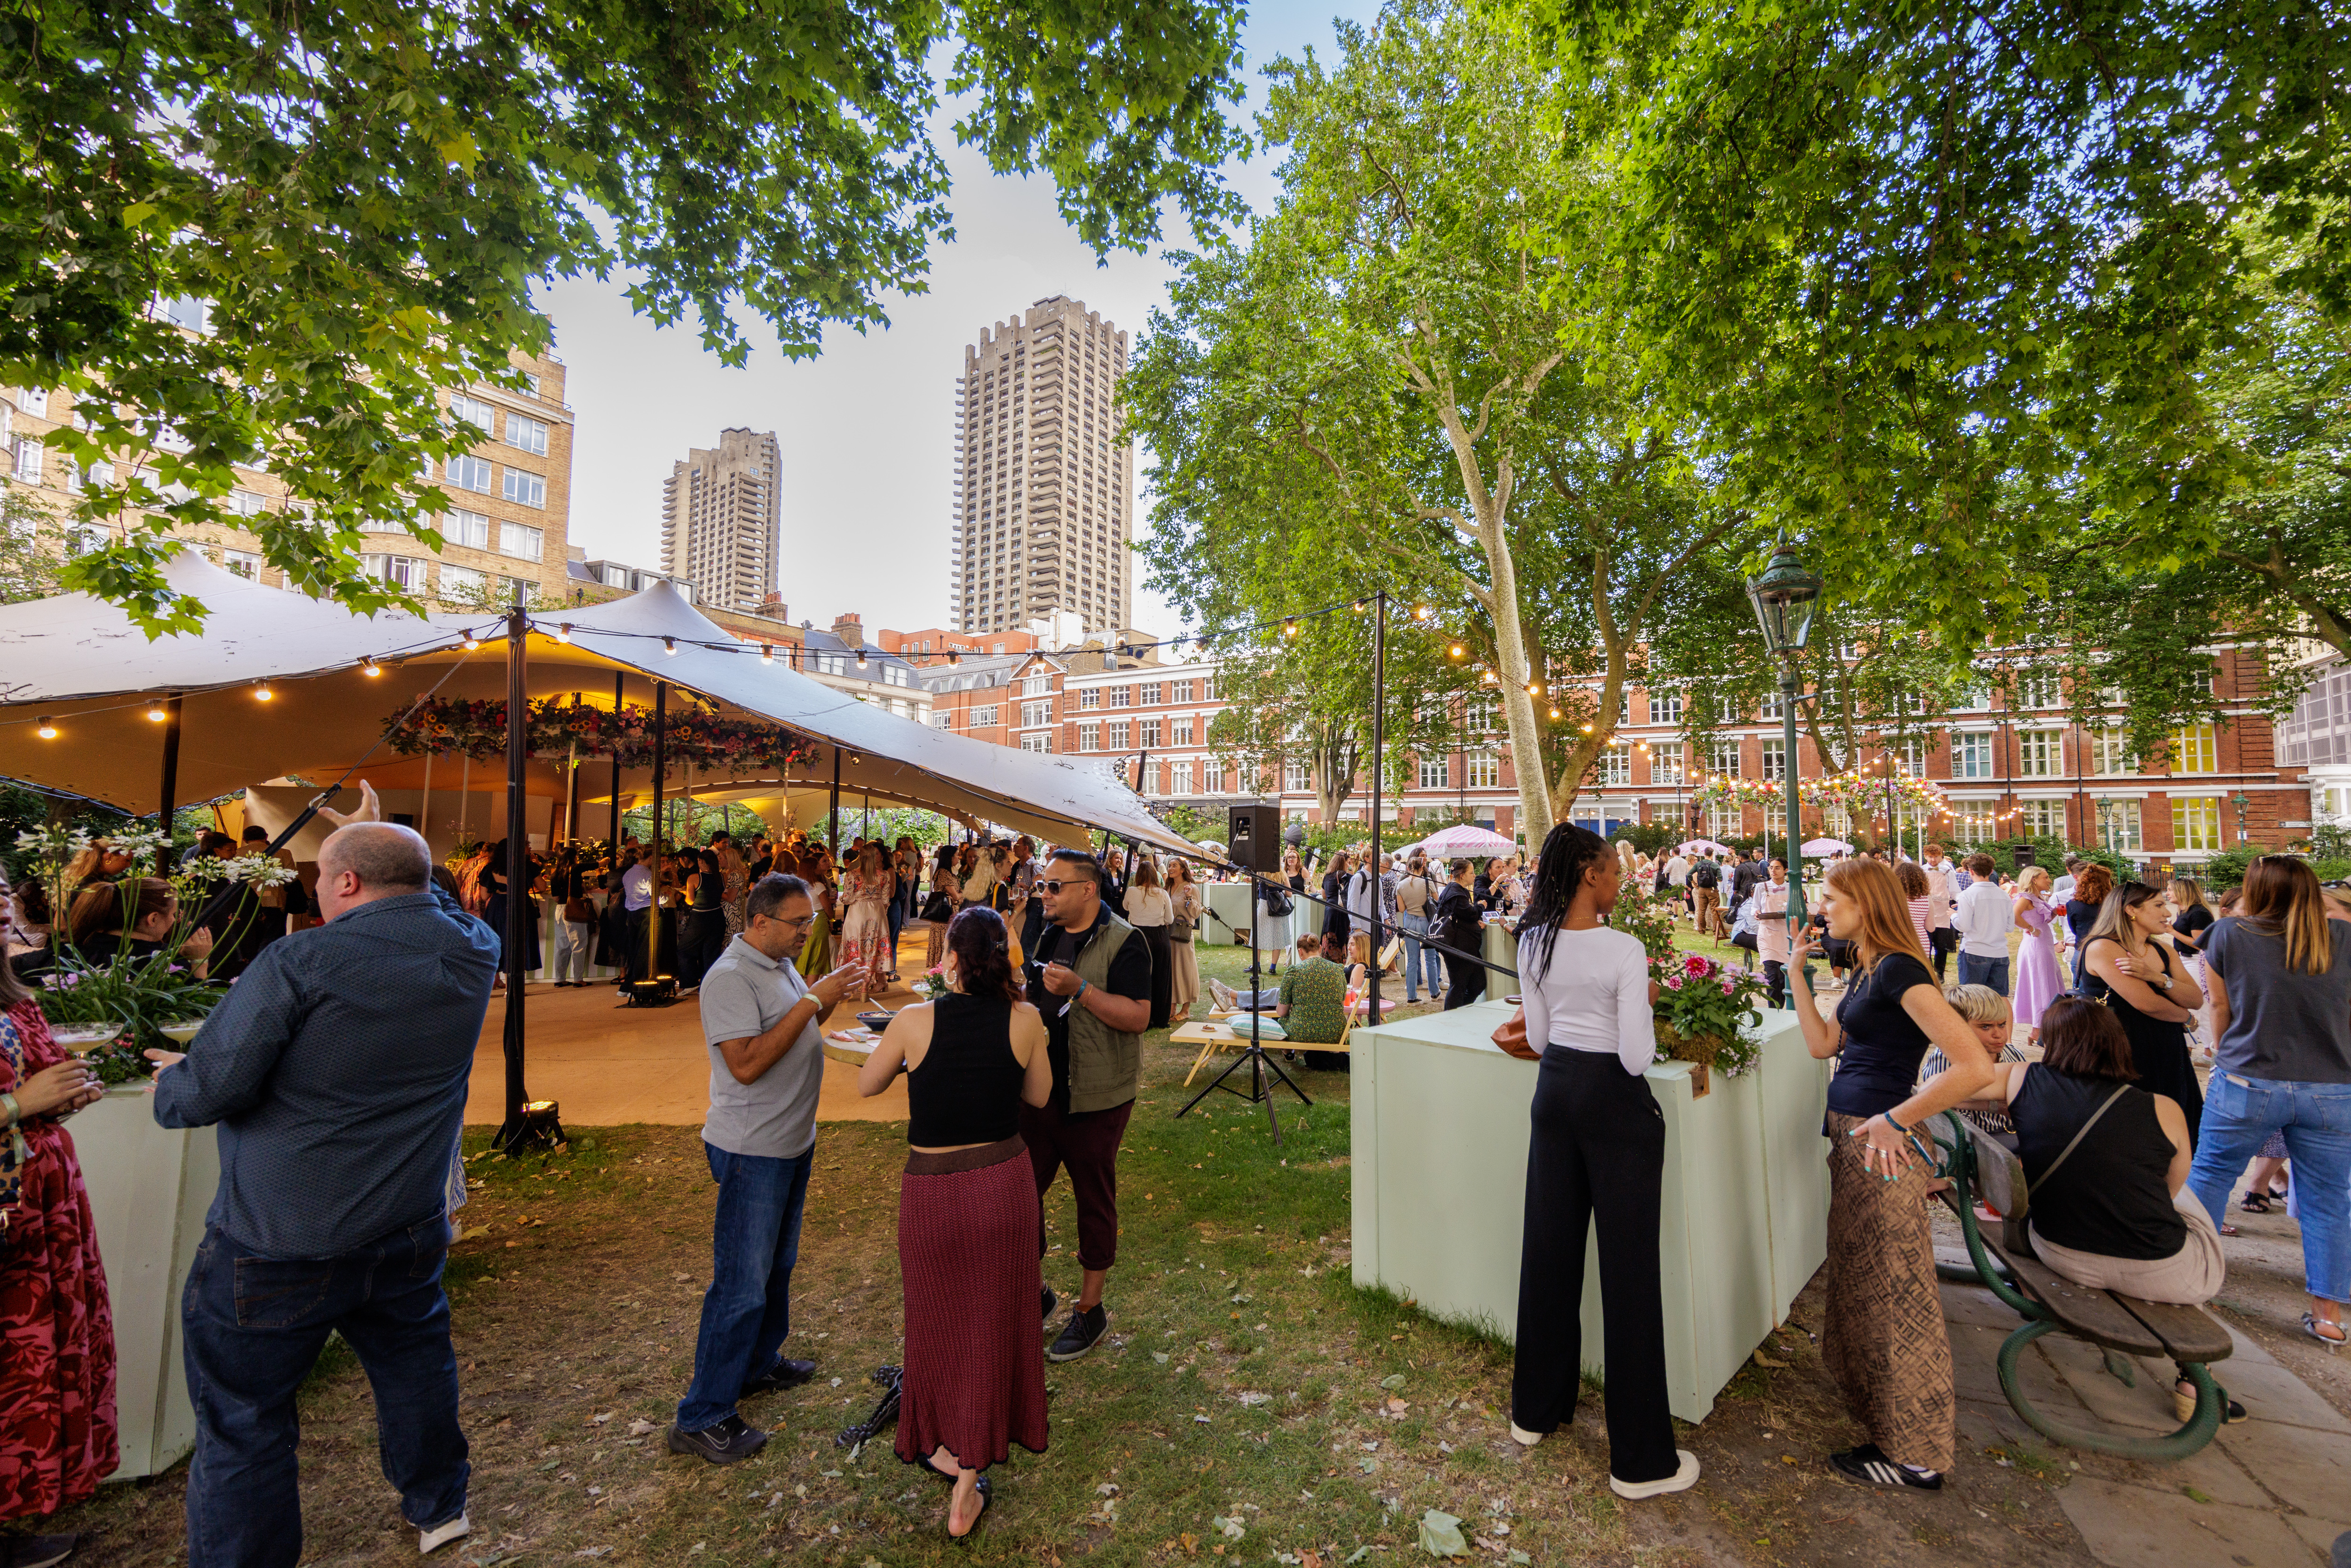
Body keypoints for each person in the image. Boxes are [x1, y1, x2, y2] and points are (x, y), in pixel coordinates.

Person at [147, 787, 497, 1562]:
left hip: (281, 1233)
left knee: (244, 1418)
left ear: (344, 886)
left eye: (320, 880)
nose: (314, 892)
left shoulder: (301, 958)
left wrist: (172, 1079)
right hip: (406, 1221)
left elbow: (210, 1091)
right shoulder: (474, 946)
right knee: (414, 1367)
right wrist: (375, 838)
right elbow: (422, 888)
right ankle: (440, 1504)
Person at [1787, 858, 1994, 1491]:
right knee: (1868, 1282)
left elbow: (1974, 1065)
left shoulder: (1902, 969)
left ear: (1865, 902)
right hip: (1857, 1137)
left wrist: (1897, 1120)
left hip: (1880, 1144)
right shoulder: (1870, 966)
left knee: (1897, 1292)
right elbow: (1823, 1045)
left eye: (1831, 898)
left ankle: (1916, 1452)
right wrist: (1797, 971)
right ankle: (1888, 1421)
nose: (1824, 909)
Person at [1504, 823, 1698, 1497]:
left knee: (1549, 1252)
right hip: (1614, 1106)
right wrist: (1639, 1002)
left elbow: (1538, 1035)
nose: (1621, 880)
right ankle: (1641, 1461)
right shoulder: (1624, 948)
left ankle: (1534, 1410)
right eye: (1614, 869)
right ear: (1590, 873)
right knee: (1629, 1274)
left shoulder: (1533, 940)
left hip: (1553, 1094)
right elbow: (1637, 1058)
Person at [857, 906, 1052, 1537]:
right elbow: (1040, 1097)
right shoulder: (1026, 1019)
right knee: (996, 1319)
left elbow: (868, 1083)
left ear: (951, 958)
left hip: (934, 1191)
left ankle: (943, 1444)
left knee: (936, 1319)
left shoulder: (915, 1020)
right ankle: (966, 1482)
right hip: (1004, 1184)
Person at [1959, 997, 2240, 1423]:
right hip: (2162, 1273)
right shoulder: (2163, 1108)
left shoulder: (2021, 1079)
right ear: (2119, 1044)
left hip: (2061, 1251)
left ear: (2051, 1044)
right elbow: (2168, 1191)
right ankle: (2191, 1381)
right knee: (2185, 1201)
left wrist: (2003, 1103)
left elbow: (1939, 1086)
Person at [669, 875, 866, 1463]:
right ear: (758, 921)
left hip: (788, 1141)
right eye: (796, 922)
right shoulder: (730, 977)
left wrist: (828, 996)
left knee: (776, 1267)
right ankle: (702, 1414)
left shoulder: (777, 962)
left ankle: (757, 1364)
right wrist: (811, 1000)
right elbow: (748, 1063)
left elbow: (799, 1025)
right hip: (752, 1147)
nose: (806, 931)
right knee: (740, 1283)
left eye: (809, 921)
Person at [2182, 856, 2351, 1348]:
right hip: (2329, 1082)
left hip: (2248, 1075)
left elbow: (2220, 1007)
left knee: (2210, 1176)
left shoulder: (2228, 934)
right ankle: (2327, 1313)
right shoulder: (2339, 937)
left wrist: (2224, 1050)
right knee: (2326, 1199)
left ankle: (2194, 1281)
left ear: (2253, 891)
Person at [0, 865, 114, 1568]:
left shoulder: (13, 992)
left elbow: (41, 1078)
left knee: (23, 1363)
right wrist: (21, 1102)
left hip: (37, 1201)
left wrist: (68, 1092)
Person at [1023, 850, 1151, 1363]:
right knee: (1019, 1191)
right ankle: (1034, 1293)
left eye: (1054, 886)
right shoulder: (1046, 930)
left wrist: (1080, 989)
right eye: (1042, 885)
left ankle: (1090, 1307)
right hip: (1039, 1089)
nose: (1045, 895)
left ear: (1087, 889)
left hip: (1096, 1094)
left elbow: (1139, 1016)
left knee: (1092, 1198)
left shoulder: (1127, 940)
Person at [2080, 882, 2205, 1146]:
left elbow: (2195, 999)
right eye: (2159, 905)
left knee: (2177, 1132)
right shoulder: (2104, 947)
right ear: (2131, 910)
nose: (2168, 913)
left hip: (2167, 1050)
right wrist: (2186, 1018)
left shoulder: (2163, 950)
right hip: (2122, 1052)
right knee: (2136, 1134)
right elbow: (2146, 1003)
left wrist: (2157, 977)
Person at [1274, 931, 1349, 1069]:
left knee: (1281, 1021)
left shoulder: (1294, 972)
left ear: (1300, 952)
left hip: (1300, 1032)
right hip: (1335, 1032)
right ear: (1320, 949)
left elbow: (1281, 1012)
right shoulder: (1338, 970)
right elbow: (1342, 1002)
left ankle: (1289, 1052)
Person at [1949, 852, 2013, 994]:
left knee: (1972, 998)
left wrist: (1954, 916)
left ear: (1971, 871)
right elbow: (2010, 927)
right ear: (1991, 872)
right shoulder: (2004, 895)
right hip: (2000, 952)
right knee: (2000, 997)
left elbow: (1964, 926)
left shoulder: (1968, 894)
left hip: (1975, 951)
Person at [1124, 854, 1175, 1031]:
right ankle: (1161, 1019)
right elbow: (1170, 918)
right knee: (1162, 977)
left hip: (1138, 935)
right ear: (1155, 875)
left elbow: (1125, 907)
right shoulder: (1163, 894)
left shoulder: (1131, 892)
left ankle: (1143, 1019)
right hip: (1159, 936)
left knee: (1140, 978)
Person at [837, 843, 895, 991]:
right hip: (877, 911)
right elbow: (886, 899)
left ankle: (859, 982)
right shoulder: (883, 875)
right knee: (877, 946)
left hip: (858, 912)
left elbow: (848, 899)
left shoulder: (853, 875)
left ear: (860, 857)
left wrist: (843, 900)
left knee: (856, 944)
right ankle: (880, 981)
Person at [1434, 858, 1486, 1011]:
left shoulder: (1457, 891)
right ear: (1462, 875)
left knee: (1478, 983)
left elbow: (1461, 917)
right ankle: (1451, 1016)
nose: (1475, 876)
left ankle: (1462, 1010)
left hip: (1466, 947)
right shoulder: (1455, 892)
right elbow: (1469, 914)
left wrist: (1475, 922)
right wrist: (1480, 907)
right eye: (1472, 873)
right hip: (1457, 948)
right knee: (1459, 985)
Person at [1394, 852, 1445, 1003]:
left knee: (1412, 961)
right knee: (1430, 959)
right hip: (1425, 921)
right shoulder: (1427, 882)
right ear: (1421, 869)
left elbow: (1402, 909)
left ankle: (1411, 996)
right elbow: (1438, 901)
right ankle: (1434, 992)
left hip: (1409, 920)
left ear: (1408, 868)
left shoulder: (1401, 885)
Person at [677, 848, 729, 990]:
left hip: (700, 918)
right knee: (711, 953)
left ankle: (690, 982)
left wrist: (685, 892)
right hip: (717, 917)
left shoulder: (694, 878)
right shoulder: (722, 877)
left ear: (701, 861)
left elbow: (690, 901)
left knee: (684, 949)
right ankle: (708, 985)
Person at [548, 844, 596, 988]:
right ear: (572, 857)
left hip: (560, 911)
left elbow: (556, 897)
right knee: (579, 945)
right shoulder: (575, 869)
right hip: (573, 910)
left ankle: (559, 979)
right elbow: (594, 865)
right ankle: (578, 979)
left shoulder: (554, 874)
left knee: (562, 946)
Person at [2064, 864, 2113, 992]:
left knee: (2083, 997)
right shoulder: (2113, 905)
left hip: (2082, 950)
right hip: (2110, 950)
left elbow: (2074, 929)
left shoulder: (2073, 905)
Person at [1753, 858, 1794, 1007]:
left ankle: (1781, 1007)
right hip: (1767, 935)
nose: (1773, 871)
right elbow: (1755, 907)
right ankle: (1773, 1009)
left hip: (1785, 936)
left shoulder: (1792, 888)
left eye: (1778, 868)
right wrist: (1757, 912)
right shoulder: (1761, 887)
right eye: (1771, 868)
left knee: (1784, 978)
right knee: (1773, 976)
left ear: (1785, 871)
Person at [1166, 859, 1203, 1021]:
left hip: (1183, 935)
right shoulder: (1168, 888)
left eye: (1174, 866)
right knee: (1172, 971)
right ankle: (1172, 1007)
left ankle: (1186, 1009)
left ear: (1182, 870)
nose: (1171, 868)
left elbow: (1196, 913)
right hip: (1168, 934)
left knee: (1185, 971)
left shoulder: (1192, 888)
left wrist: (1188, 897)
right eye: (1169, 866)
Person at [1255, 850, 1302, 974]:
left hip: (1264, 906)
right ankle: (1273, 968)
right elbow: (1289, 894)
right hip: (1278, 908)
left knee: (1258, 936)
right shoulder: (1283, 874)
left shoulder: (1262, 872)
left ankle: (1257, 965)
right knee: (1278, 937)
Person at [1321, 851, 1353, 955]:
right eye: (1348, 862)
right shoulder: (1342, 874)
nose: (1349, 865)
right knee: (1341, 939)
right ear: (1343, 862)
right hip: (1340, 910)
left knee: (1330, 937)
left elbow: (1324, 895)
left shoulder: (1327, 876)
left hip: (1329, 910)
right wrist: (1351, 874)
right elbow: (1351, 890)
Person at [1689, 852, 1724, 941]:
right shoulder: (1715, 865)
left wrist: (1694, 883)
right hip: (1712, 889)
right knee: (1714, 910)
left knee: (1702, 910)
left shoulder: (1698, 864)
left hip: (1701, 889)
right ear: (1712, 854)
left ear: (1704, 854)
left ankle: (1701, 930)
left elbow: (1689, 875)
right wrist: (1714, 878)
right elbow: (1721, 879)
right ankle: (1715, 931)